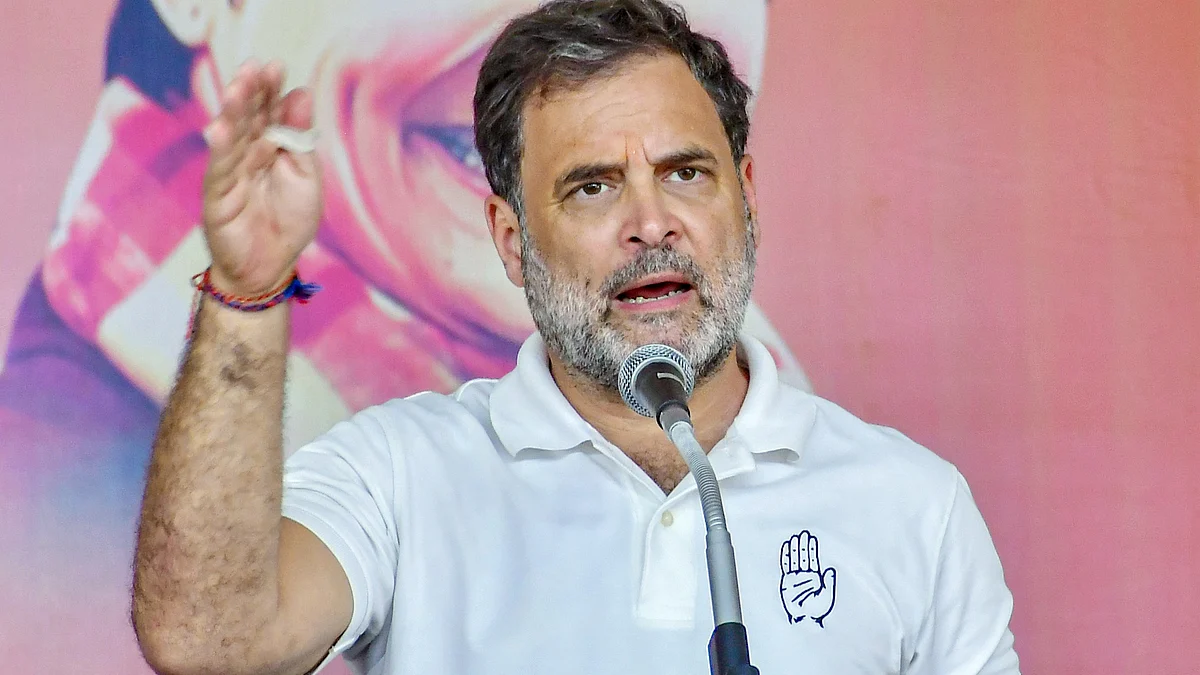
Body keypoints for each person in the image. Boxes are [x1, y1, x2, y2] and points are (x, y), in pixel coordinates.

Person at [131, 1, 1020, 674]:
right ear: (512, 241)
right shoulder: (399, 474)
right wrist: (247, 294)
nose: (651, 223)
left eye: (685, 173)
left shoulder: (914, 507)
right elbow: (210, 641)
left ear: (746, 196)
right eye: (592, 187)